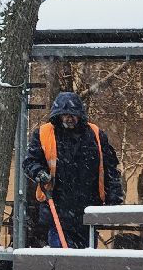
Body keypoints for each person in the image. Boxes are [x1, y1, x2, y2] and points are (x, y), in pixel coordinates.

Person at [22, 91, 124, 249]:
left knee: (85, 263)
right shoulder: (44, 134)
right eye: (65, 115)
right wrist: (39, 172)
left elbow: (110, 168)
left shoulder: (95, 135)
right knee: (62, 261)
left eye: (73, 115)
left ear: (80, 115)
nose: (69, 118)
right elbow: (30, 161)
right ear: (58, 116)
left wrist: (114, 197)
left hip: (88, 211)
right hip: (57, 209)